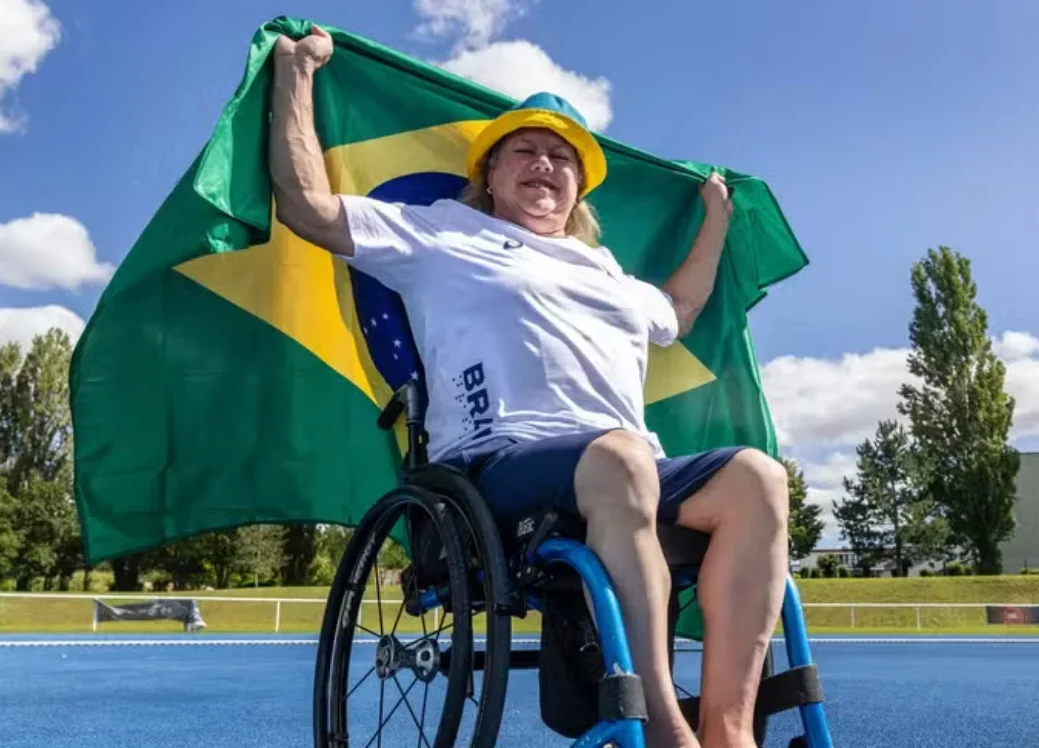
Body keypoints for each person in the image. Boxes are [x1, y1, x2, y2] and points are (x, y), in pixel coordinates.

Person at [270, 26, 790, 748]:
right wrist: (296, 74)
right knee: (621, 459)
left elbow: (681, 310)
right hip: (497, 463)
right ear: (490, 172)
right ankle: (668, 727)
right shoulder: (440, 234)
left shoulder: (603, 267)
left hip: (624, 467)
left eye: (561, 157)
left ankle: (727, 730)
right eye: (525, 150)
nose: (544, 163)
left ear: (578, 185)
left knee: (758, 479)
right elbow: (306, 206)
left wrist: (716, 218)